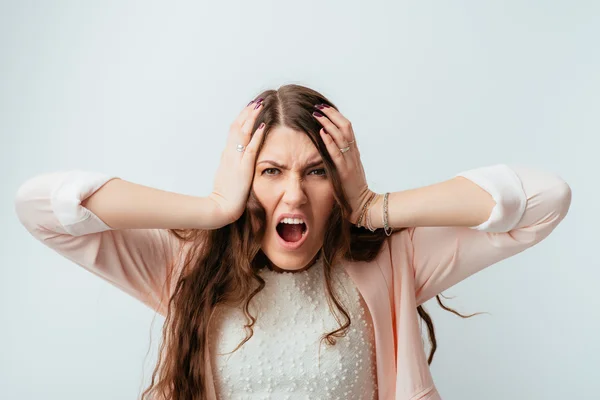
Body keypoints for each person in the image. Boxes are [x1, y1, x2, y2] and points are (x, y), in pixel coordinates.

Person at [14, 84, 572, 400]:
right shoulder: (189, 269)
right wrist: (211, 208)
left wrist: (376, 206)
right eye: (272, 171)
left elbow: (544, 200)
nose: (294, 195)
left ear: (339, 183)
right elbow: (44, 207)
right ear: (246, 183)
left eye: (316, 171)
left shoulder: (391, 263)